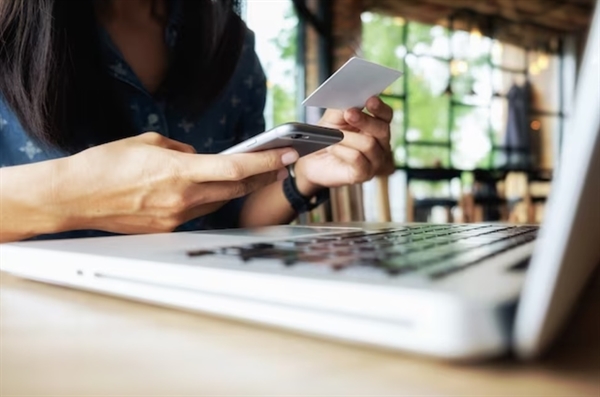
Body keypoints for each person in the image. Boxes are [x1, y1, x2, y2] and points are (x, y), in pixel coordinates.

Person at [0, 0, 394, 243]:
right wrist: (75, 192)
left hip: (202, 315)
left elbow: (231, 216)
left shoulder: (230, 42)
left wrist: (304, 174)